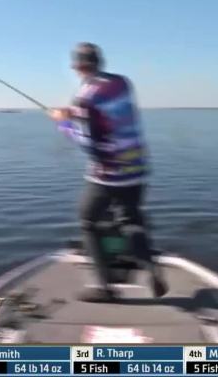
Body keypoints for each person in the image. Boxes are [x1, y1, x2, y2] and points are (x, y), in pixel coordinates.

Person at [49, 42, 167, 302]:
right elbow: (105, 114)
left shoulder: (85, 97)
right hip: (137, 166)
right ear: (99, 62)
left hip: (108, 173)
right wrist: (73, 113)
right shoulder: (121, 83)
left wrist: (63, 123)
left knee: (88, 221)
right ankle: (150, 266)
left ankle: (104, 288)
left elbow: (87, 143)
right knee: (131, 220)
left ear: (77, 66)